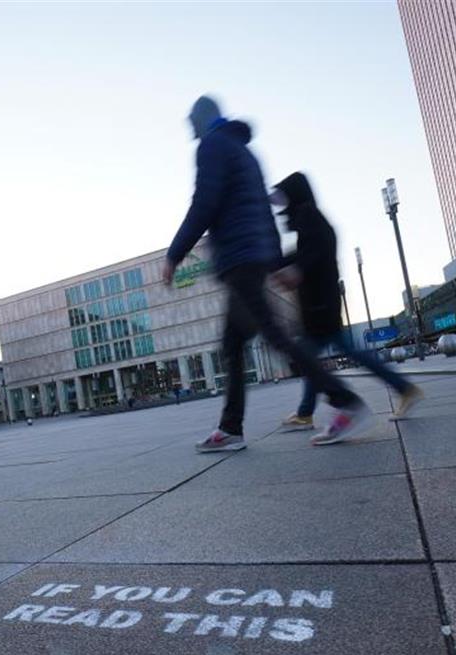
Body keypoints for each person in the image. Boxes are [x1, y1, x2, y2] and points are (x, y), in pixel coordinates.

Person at [163, 96, 374, 450]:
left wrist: (175, 253)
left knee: (276, 336)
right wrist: (274, 260)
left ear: (203, 120)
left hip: (240, 258)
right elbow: (262, 211)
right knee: (232, 344)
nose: (190, 130)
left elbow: (204, 203)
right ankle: (230, 429)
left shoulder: (212, 146)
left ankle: (346, 403)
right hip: (250, 255)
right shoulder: (243, 152)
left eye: (192, 123)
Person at [268, 172, 424, 429]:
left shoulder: (310, 218)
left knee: (322, 356)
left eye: (284, 199)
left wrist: (298, 270)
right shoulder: (308, 220)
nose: (282, 207)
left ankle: (404, 389)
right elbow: (301, 254)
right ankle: (305, 412)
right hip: (318, 305)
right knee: (311, 357)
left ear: (294, 196)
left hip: (321, 305)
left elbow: (316, 253)